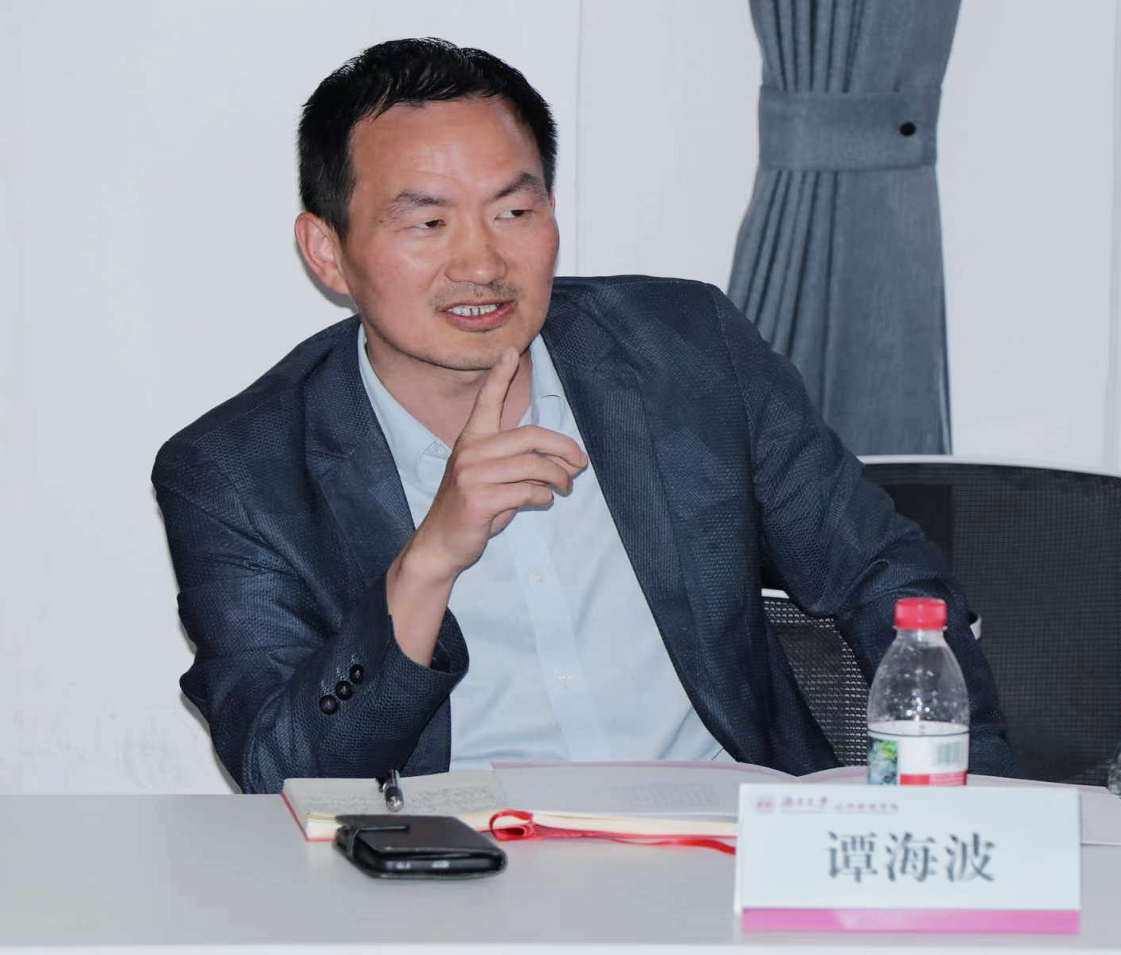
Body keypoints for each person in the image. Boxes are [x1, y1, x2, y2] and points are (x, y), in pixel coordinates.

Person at [152, 38, 1019, 793]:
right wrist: (426, 564)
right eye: (428, 222)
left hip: (726, 852)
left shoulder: (688, 351)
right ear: (327, 252)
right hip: (454, 878)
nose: (481, 261)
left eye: (514, 211)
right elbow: (282, 772)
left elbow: (882, 572)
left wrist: (977, 793)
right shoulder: (236, 473)